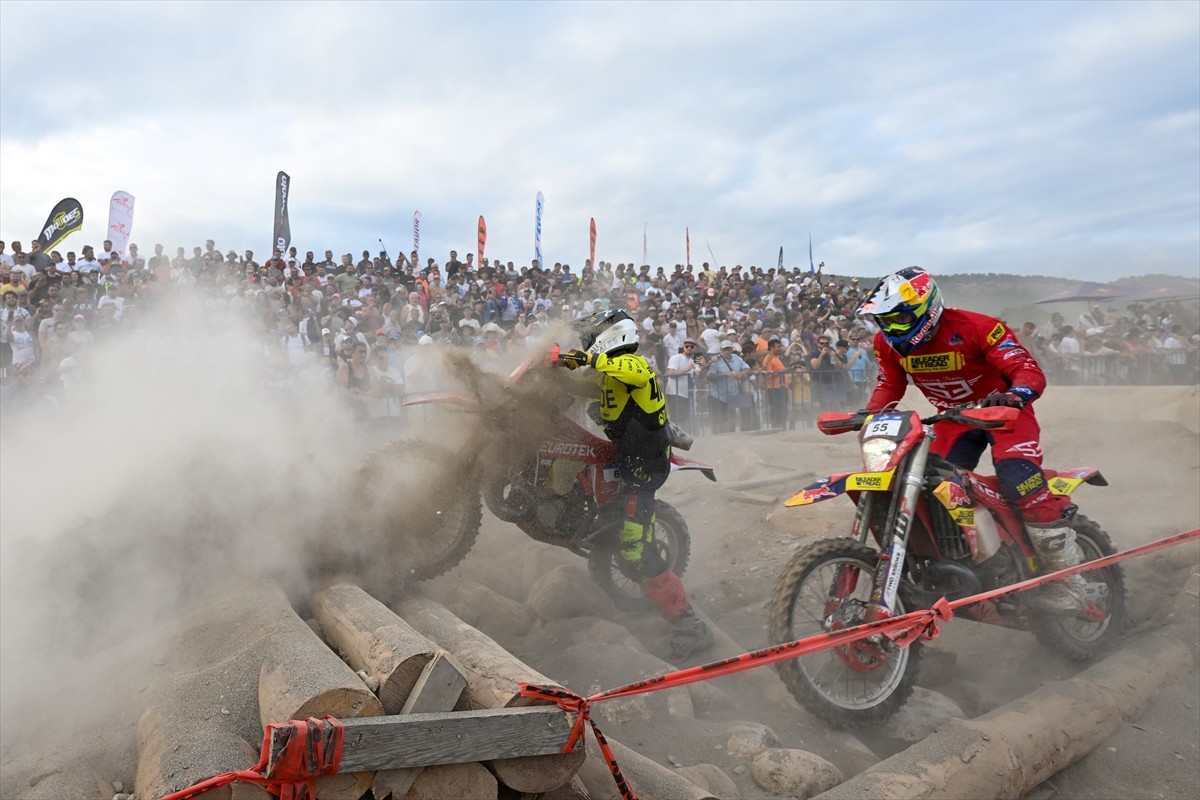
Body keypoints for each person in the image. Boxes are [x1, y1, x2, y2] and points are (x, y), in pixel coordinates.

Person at [858, 266, 1084, 614]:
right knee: (926, 486)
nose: (892, 329)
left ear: (927, 308)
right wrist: (869, 414)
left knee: (1018, 479)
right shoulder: (885, 344)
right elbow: (890, 385)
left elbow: (1027, 369)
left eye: (900, 319)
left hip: (1004, 412)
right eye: (884, 321)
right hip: (953, 418)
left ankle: (1071, 582)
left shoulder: (980, 327)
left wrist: (1016, 394)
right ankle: (971, 563)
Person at [559, 311, 712, 659]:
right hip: (628, 459)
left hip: (643, 469)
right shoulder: (609, 375)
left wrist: (588, 357)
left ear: (611, 336)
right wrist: (555, 370)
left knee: (634, 549)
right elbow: (586, 387)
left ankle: (690, 625)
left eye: (591, 336)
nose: (586, 342)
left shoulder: (633, 365)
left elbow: (635, 372)